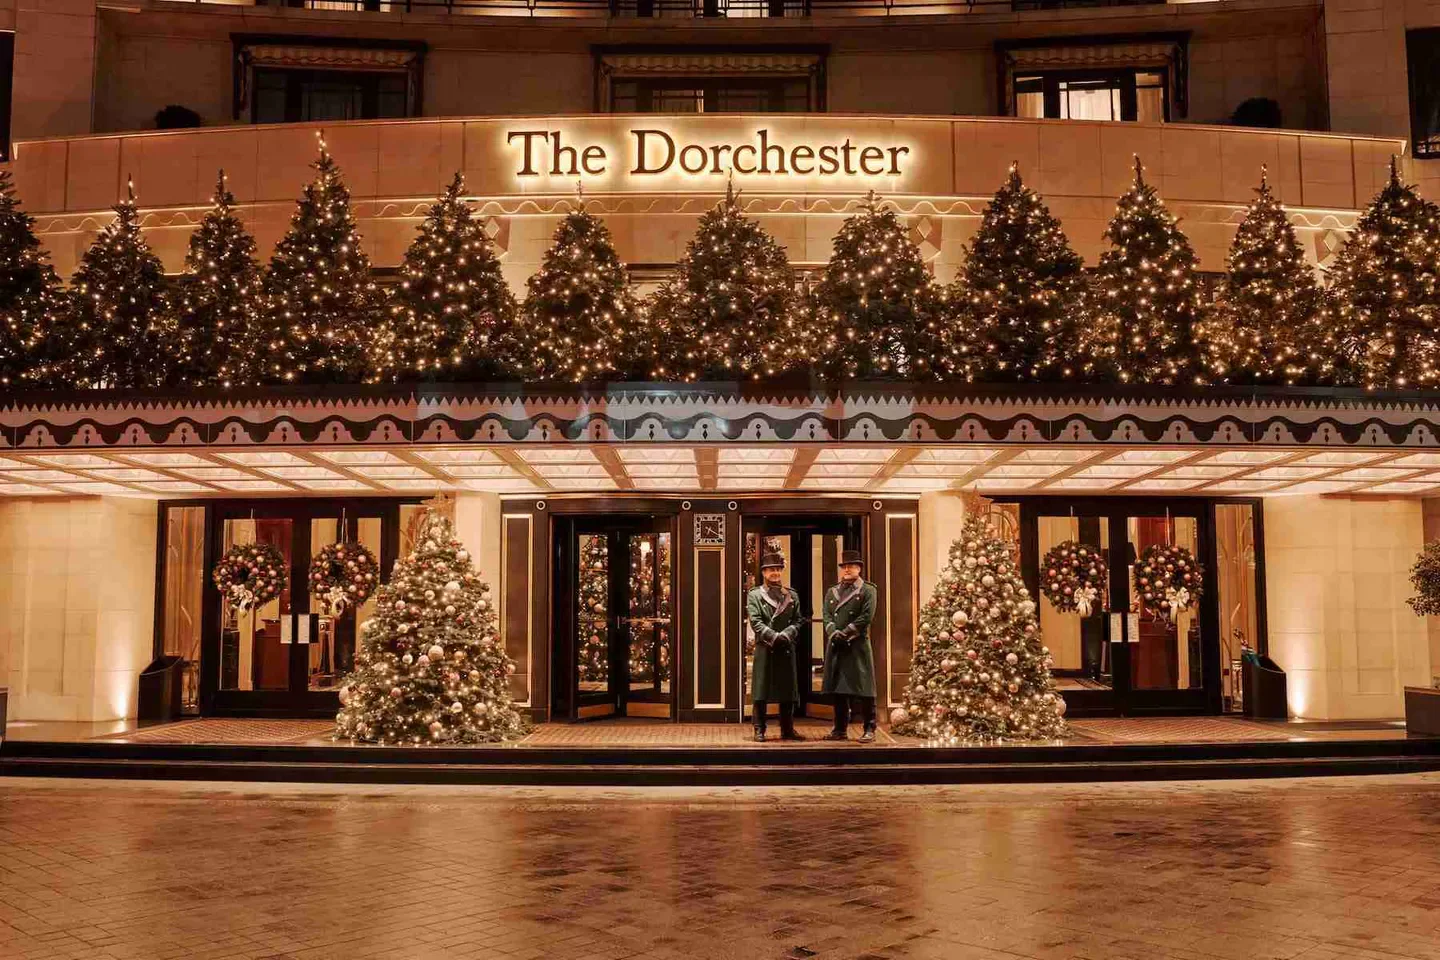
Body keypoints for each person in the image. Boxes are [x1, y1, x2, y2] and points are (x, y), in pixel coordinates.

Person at [745, 550, 804, 743]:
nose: (775, 573)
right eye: (771, 569)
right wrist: (774, 636)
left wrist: (786, 634)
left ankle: (787, 729)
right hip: (766, 647)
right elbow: (755, 621)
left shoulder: (791, 595)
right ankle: (759, 729)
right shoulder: (755, 595)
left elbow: (798, 620)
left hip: (786, 647)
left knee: (787, 691)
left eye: (778, 569)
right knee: (760, 692)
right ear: (764, 572)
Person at [822, 549, 878, 743]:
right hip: (837, 645)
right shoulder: (832, 591)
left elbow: (866, 616)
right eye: (845, 566)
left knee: (865, 689)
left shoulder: (868, 590)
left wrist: (846, 632)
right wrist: (833, 632)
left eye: (852, 566)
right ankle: (839, 729)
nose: (847, 569)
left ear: (859, 569)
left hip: (857, 644)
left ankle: (869, 728)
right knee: (839, 689)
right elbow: (827, 615)